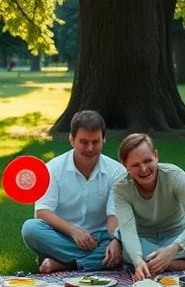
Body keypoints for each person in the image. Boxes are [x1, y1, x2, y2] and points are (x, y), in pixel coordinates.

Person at [20, 109, 126, 273]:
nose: (90, 148)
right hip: (64, 235)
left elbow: (114, 217)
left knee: (127, 240)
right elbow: (42, 212)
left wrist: (117, 241)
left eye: (95, 142)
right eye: (84, 142)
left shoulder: (117, 171)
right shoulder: (52, 168)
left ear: (104, 140)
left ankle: (66, 264)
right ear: (72, 139)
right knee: (30, 229)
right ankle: (98, 261)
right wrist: (74, 232)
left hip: (101, 237)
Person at [113, 133, 185, 281]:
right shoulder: (121, 188)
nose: (144, 169)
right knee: (129, 253)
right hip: (146, 239)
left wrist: (172, 250)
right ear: (124, 165)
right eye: (135, 165)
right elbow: (127, 228)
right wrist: (138, 261)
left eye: (147, 161)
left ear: (156, 155)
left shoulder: (174, 175)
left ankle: (163, 262)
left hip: (176, 235)